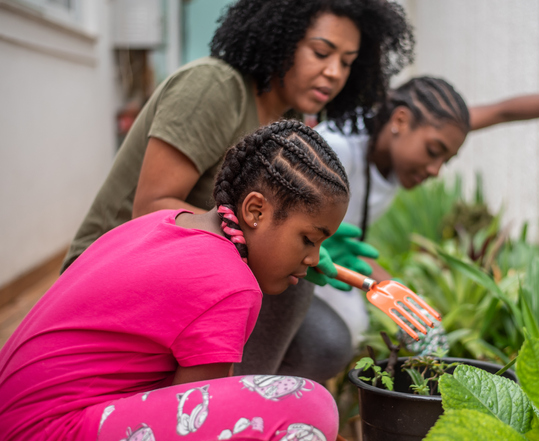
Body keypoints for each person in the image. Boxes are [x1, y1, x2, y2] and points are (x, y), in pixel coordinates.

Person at [59, 0, 414, 377]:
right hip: (114, 272)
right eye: (321, 52)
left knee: (325, 343)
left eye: (347, 62)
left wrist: (310, 241)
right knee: (290, 288)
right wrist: (277, 239)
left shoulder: (287, 119)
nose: (333, 72)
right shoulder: (213, 87)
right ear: (280, 35)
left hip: (194, 273)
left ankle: (251, 405)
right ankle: (232, 417)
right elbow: (151, 206)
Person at [0, 121, 350, 441]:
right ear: (256, 211)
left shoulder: (165, 222)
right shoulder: (231, 284)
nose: (314, 258)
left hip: (14, 434)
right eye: (309, 239)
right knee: (311, 415)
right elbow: (195, 433)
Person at [278, 38, 539, 380]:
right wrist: (394, 291)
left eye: (447, 158)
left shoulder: (410, 138)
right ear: (399, 121)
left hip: (328, 254)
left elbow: (501, 111)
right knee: (327, 340)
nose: (436, 169)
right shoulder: (333, 149)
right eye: (433, 152)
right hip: (286, 254)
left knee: (351, 328)